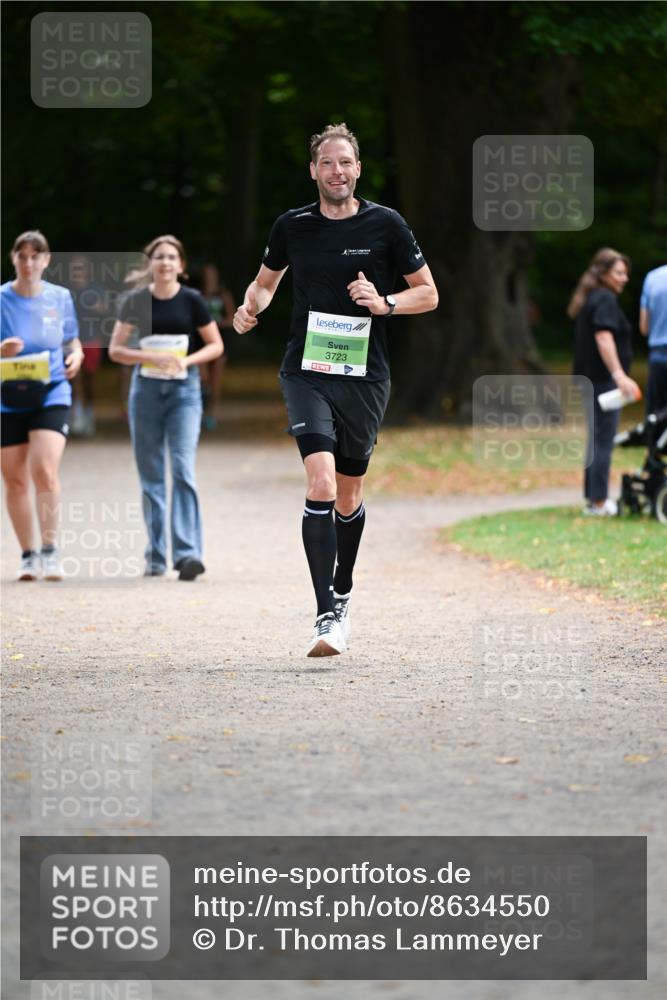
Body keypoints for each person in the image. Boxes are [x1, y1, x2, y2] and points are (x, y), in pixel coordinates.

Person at [233, 123, 438, 656]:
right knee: (321, 483)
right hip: (305, 370)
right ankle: (325, 613)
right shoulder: (293, 226)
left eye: (345, 162)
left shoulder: (386, 224)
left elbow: (429, 295)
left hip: (365, 377)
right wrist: (249, 307)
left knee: (349, 492)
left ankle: (343, 588)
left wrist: (386, 302)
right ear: (313, 170)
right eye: (327, 163)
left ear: (358, 169)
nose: (337, 171)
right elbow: (265, 282)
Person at [109, 235, 223, 580]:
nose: (165, 262)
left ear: (181, 266)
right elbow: (115, 350)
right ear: (150, 264)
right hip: (145, 392)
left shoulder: (192, 301)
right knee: (152, 476)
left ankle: (188, 554)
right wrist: (150, 356)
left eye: (172, 257)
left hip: (184, 394)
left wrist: (186, 362)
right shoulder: (135, 301)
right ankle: (157, 555)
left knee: (182, 469)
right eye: (159, 257)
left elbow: (215, 345)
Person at [1, 230, 83, 580]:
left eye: (37, 255)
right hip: (8, 394)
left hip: (51, 390)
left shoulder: (60, 297)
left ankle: (50, 551)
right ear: (14, 258)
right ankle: (27, 555)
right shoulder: (1, 298)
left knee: (45, 471)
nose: (30, 262)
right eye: (23, 255)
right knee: (15, 480)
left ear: (47, 260)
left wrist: (77, 353)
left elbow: (71, 338)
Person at [568, 247, 641, 516]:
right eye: (619, 273)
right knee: (602, 440)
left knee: (597, 439)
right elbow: (603, 338)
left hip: (590, 380)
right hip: (602, 381)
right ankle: (598, 502)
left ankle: (594, 499)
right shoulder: (605, 300)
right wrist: (619, 375)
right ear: (604, 273)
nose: (624, 278)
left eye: (626, 274)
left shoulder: (592, 298)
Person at [198, 262, 236, 431]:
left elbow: (232, 318)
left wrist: (217, 323)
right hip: (200, 343)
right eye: (206, 275)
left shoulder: (223, 295)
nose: (209, 278)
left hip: (220, 341)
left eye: (211, 275)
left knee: (215, 381)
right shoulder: (197, 295)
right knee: (202, 378)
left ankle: (211, 414)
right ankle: (199, 409)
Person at [639, 262, 667, 442]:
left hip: (658, 354)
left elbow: (644, 327)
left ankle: (653, 460)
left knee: (655, 411)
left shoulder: (653, 277)